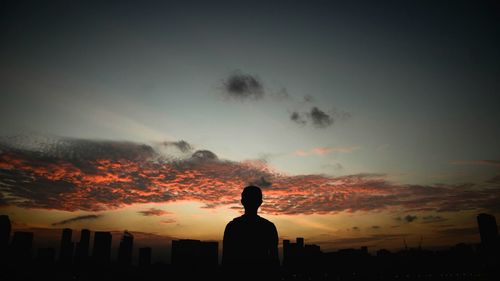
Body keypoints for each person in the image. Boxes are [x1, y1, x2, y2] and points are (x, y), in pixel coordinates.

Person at [222, 185, 279, 271]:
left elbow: (226, 259)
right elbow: (274, 260)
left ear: (242, 201)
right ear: (260, 202)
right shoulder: (268, 227)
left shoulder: (232, 226)